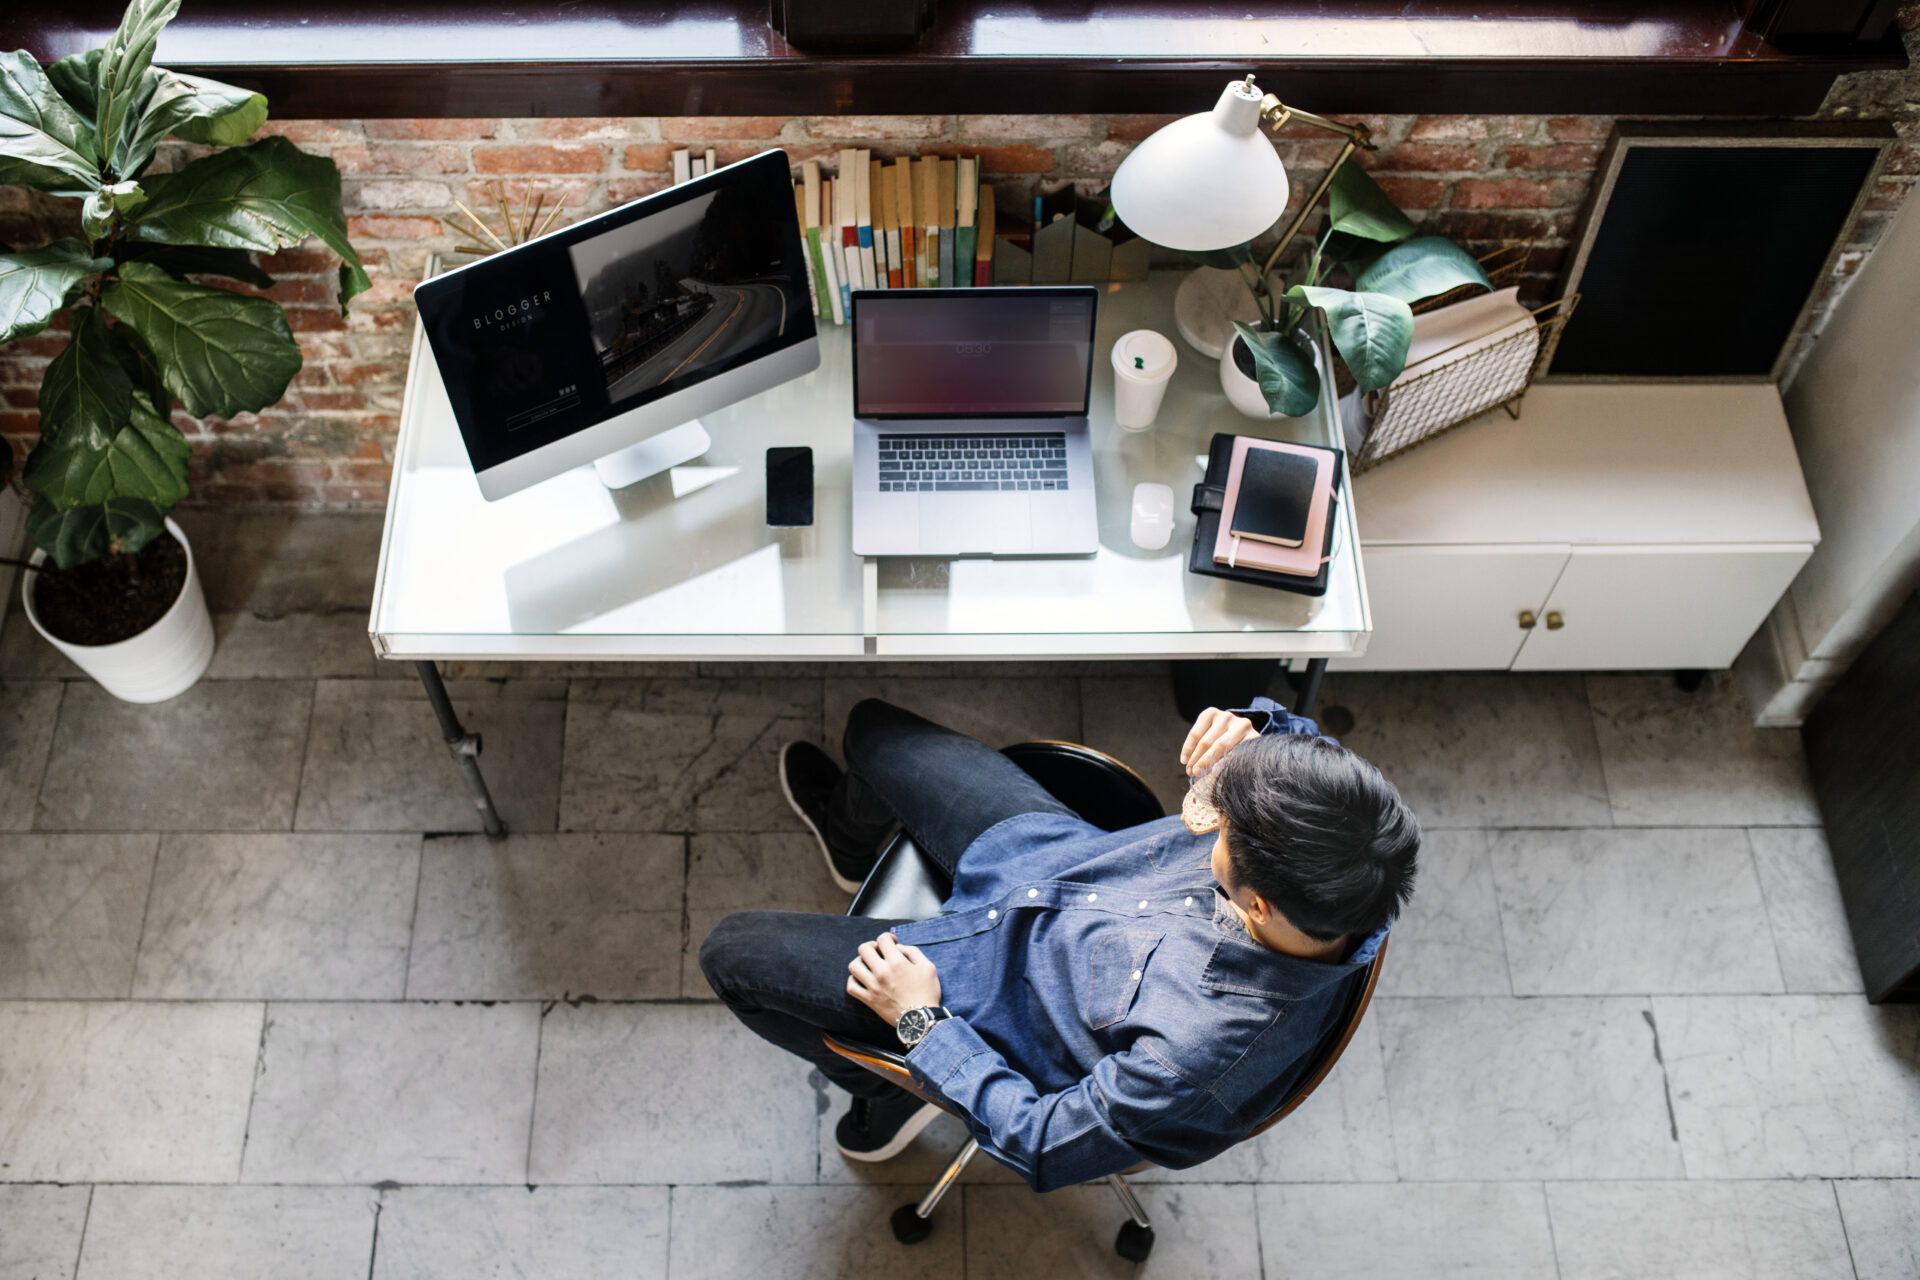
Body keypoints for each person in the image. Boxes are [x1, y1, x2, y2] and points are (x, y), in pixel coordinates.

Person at [698, 696, 1420, 1192]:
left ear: (1257, 904)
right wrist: (1253, 732)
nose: (1209, 810)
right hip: (1052, 862)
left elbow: (1041, 1144)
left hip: (977, 997)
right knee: (873, 732)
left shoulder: (1195, 1061)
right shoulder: (1363, 834)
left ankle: (889, 1092)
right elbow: (1304, 741)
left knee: (730, 954)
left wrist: (922, 1031)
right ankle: (855, 847)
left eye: (1223, 829)